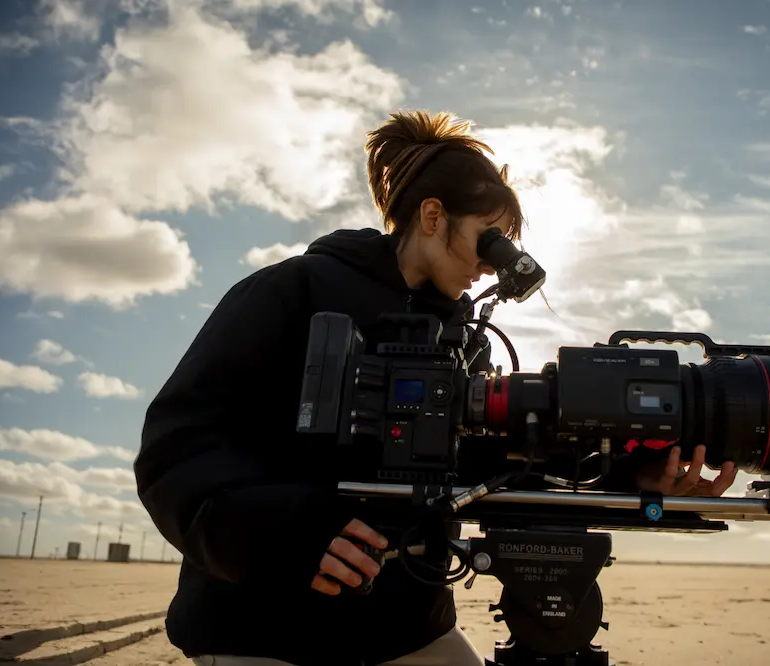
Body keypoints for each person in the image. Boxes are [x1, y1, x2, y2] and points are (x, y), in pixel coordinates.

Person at [134, 109, 738, 666]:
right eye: (488, 237)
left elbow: (494, 468)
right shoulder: (289, 291)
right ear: (432, 216)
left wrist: (634, 476)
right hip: (264, 624)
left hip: (406, 626)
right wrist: (290, 534)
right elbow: (177, 447)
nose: (492, 264)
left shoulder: (464, 340)